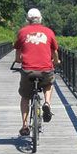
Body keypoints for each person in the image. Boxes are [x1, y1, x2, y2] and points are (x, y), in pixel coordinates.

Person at [13, 8, 60, 136]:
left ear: (28, 20)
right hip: (45, 69)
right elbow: (54, 52)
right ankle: (47, 103)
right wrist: (56, 61)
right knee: (48, 84)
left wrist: (19, 60)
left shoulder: (22, 32)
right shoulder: (49, 32)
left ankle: (24, 125)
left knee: (25, 96)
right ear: (40, 19)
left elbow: (17, 54)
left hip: (28, 70)